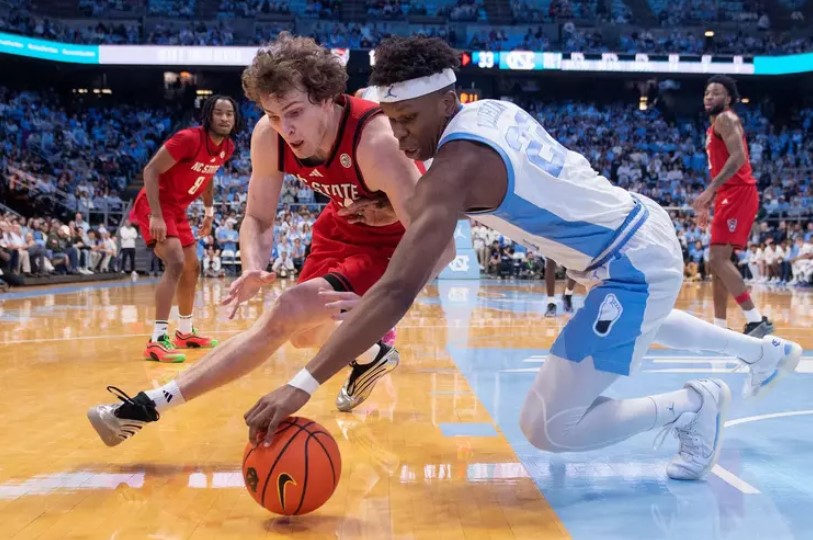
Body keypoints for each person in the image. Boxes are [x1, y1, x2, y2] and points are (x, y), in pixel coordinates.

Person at [242, 36, 803, 482]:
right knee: (643, 322)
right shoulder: (489, 111)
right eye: (391, 119)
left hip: (629, 265)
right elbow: (499, 189)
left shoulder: (451, 171)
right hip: (632, 228)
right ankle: (759, 352)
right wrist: (395, 213)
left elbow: (395, 291)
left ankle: (690, 405)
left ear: (445, 101)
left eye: (410, 119)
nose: (402, 137)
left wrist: (304, 381)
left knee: (546, 426)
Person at [87, 33, 454, 447]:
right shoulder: (270, 134)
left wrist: (389, 302)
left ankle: (146, 406)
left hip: (394, 243)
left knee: (287, 309)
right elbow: (259, 218)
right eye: (274, 115)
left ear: (328, 98)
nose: (286, 128)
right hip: (338, 228)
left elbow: (441, 245)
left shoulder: (376, 143)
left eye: (294, 112)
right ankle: (372, 354)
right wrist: (252, 265)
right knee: (301, 332)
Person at [129, 94, 240, 363]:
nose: (224, 118)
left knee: (193, 267)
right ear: (208, 116)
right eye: (219, 113)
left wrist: (209, 212)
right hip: (155, 204)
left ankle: (185, 331)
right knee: (176, 262)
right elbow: (151, 170)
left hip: (178, 208)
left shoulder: (227, 148)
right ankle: (156, 340)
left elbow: (208, 176)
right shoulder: (188, 139)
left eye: (229, 114)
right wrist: (156, 215)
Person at [693, 75, 773, 336]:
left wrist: (710, 191)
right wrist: (711, 199)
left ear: (728, 98)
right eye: (707, 93)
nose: (709, 97)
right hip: (729, 194)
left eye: (715, 93)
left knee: (716, 258)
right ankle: (720, 327)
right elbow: (722, 165)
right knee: (717, 262)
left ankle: (756, 319)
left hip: (739, 193)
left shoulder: (727, 118)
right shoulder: (714, 124)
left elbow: (738, 159)